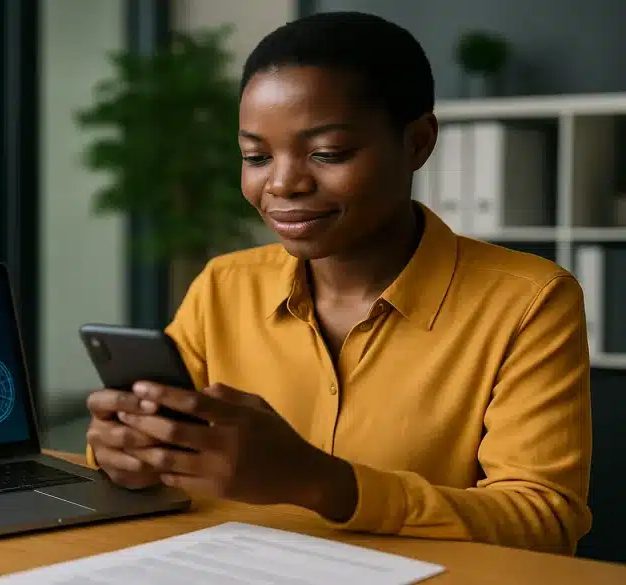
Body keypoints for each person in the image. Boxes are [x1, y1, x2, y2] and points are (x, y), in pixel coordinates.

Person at [84, 11, 592, 555]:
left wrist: (323, 483)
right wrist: (127, 455)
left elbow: (545, 519)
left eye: (327, 153)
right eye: (257, 156)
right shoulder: (223, 286)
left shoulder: (529, 301)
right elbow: (150, 455)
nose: (283, 183)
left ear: (418, 142)